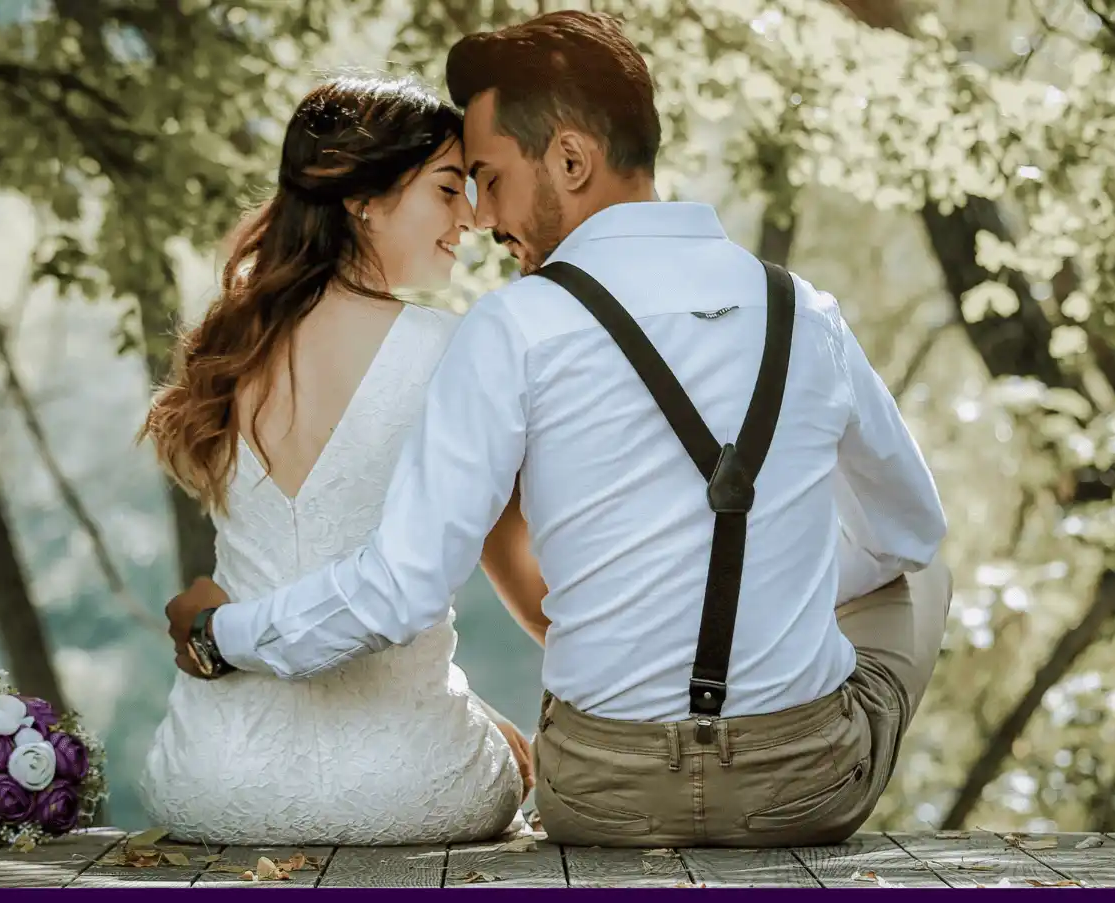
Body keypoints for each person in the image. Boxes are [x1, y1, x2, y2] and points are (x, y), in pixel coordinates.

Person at [170, 11, 954, 848]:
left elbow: (400, 587)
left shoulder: (511, 328)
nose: (481, 215)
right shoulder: (806, 314)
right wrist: (776, 587)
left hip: (600, 796)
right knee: (920, 569)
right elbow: (908, 530)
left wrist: (223, 633)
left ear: (571, 160)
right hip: (803, 787)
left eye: (489, 176)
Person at [135, 75, 539, 846]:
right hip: (409, 787)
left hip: (210, 781)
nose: (473, 217)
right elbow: (515, 582)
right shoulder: (452, 349)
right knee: (511, 763)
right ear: (362, 197)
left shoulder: (228, 349)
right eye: (448, 189)